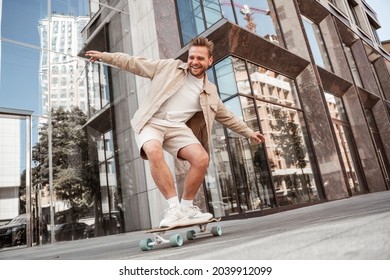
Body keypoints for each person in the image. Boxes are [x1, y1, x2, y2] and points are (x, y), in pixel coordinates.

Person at [86, 37, 265, 228]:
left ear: (210, 61)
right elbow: (134, 63)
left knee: (201, 159)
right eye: (192, 57)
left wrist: (248, 132)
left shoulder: (210, 91)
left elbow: (227, 116)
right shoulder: (169, 67)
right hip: (151, 121)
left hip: (176, 128)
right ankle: (174, 209)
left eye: (200, 59)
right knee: (153, 151)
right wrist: (106, 57)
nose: (194, 62)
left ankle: (187, 207)